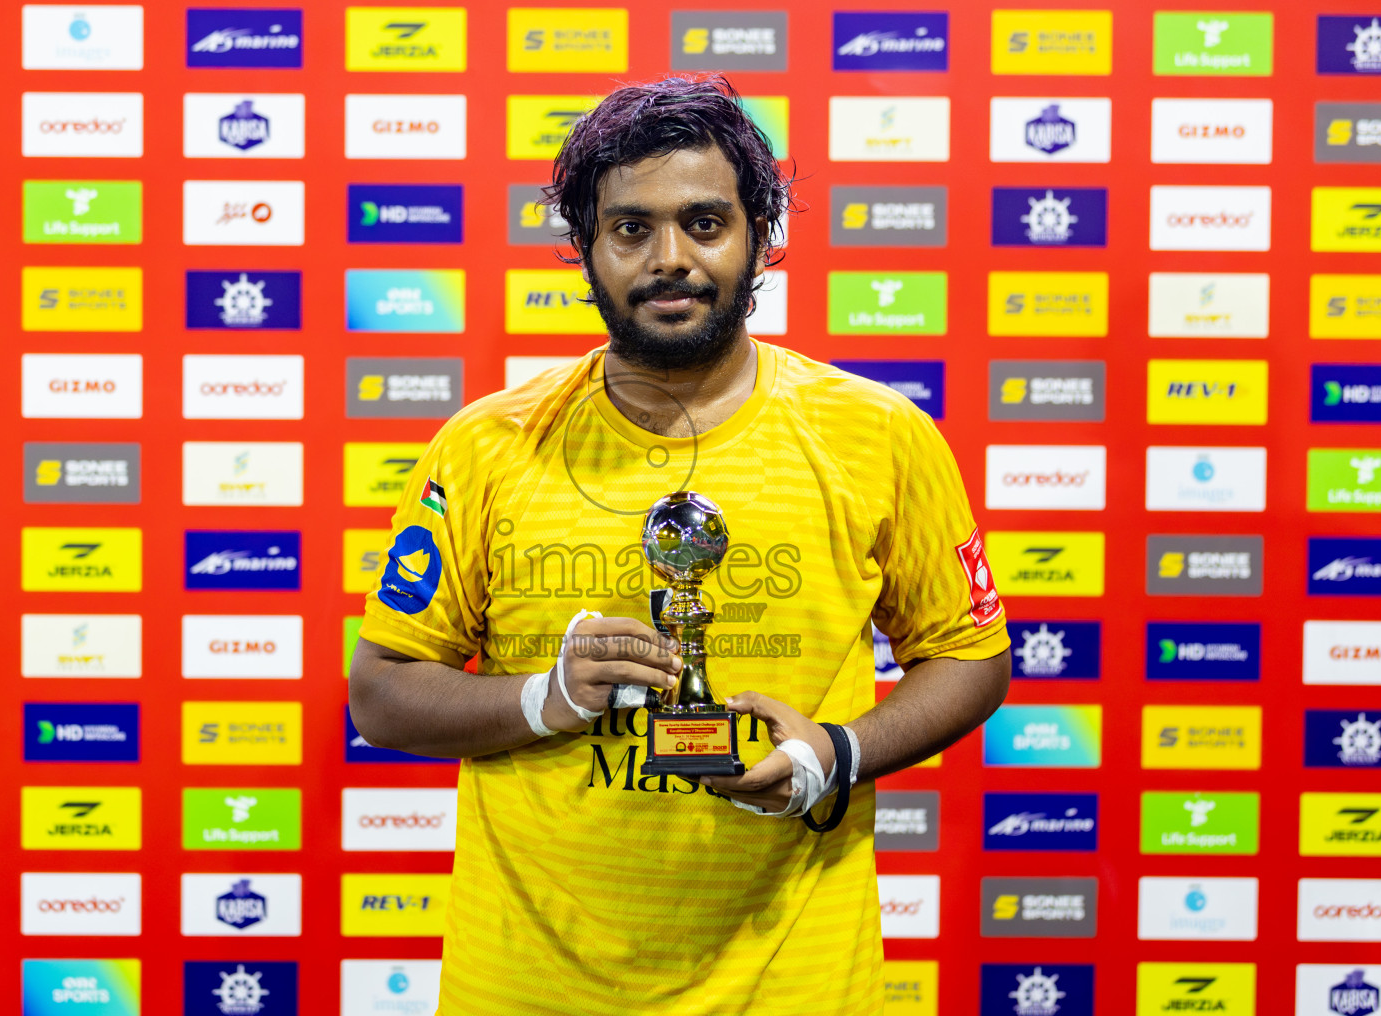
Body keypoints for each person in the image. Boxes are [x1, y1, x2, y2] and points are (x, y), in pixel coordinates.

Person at [349, 75, 1011, 1015]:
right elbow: (381, 696)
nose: (671, 258)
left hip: (799, 982)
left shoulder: (880, 434)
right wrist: (544, 699)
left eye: (705, 222)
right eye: (630, 229)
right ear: (583, 246)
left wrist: (836, 752)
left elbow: (971, 657)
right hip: (530, 987)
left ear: (759, 238)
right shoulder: (485, 445)